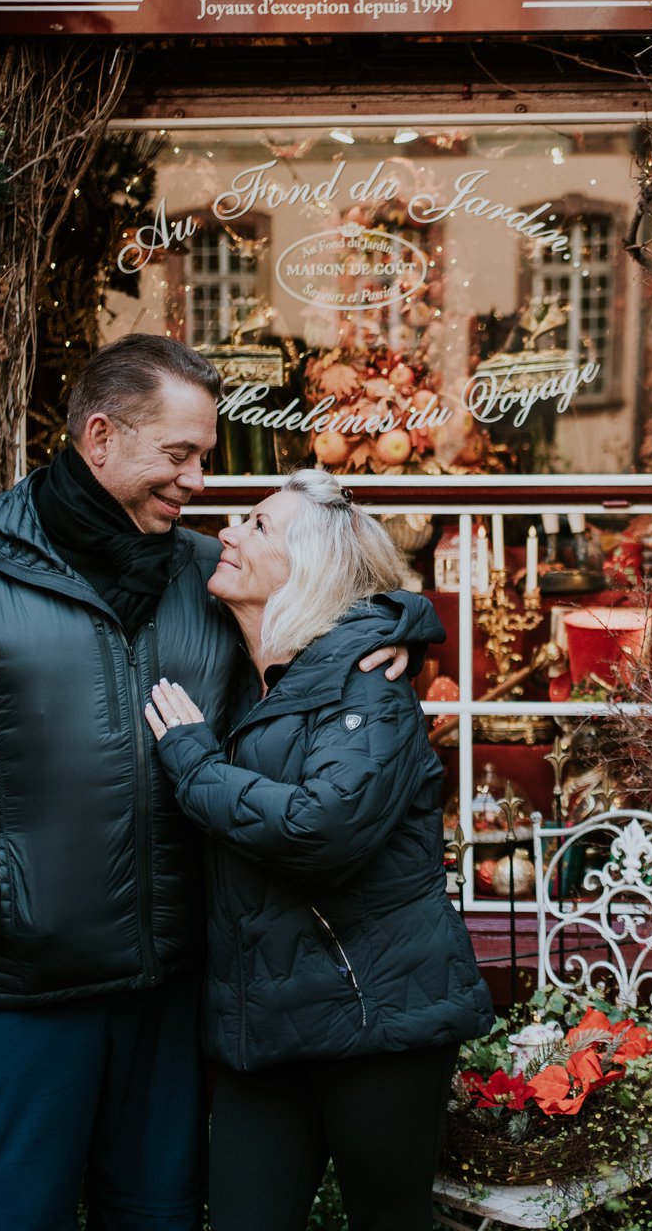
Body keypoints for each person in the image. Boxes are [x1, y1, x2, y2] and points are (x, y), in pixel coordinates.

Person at [0, 333, 407, 1231]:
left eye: (206, 459)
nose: (199, 481)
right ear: (100, 438)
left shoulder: (197, 573)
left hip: (174, 991)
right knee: (8, 1219)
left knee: (159, 1219)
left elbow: (330, 588)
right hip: (28, 989)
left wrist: (405, 623)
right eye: (178, 455)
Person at [142, 469, 492, 1231]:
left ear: (312, 568)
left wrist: (194, 764)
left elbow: (322, 827)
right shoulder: (251, 678)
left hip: (377, 1021)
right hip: (260, 1026)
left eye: (259, 525)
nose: (228, 533)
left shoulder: (367, 687)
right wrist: (407, 615)